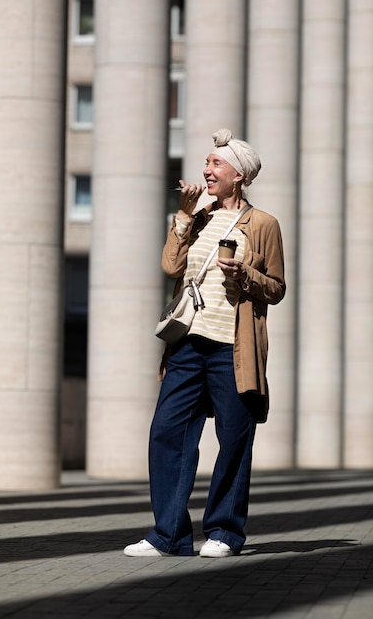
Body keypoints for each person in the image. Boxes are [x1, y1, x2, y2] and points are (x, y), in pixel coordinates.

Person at [124, 129, 286, 558]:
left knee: (234, 438)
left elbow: (276, 287)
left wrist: (244, 276)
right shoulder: (197, 217)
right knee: (167, 433)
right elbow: (170, 265)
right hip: (187, 345)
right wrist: (181, 215)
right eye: (207, 163)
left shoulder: (263, 224)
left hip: (233, 347)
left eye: (215, 164)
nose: (206, 170)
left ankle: (224, 532)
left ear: (239, 174)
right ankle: (169, 535)